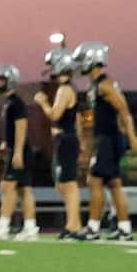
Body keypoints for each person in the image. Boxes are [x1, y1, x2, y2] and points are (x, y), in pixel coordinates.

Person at [74, 43, 137, 240]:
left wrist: (132, 138)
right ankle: (124, 228)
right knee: (113, 183)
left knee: (94, 181)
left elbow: (124, 111)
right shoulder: (96, 85)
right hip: (107, 139)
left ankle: (93, 228)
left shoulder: (105, 85)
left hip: (110, 140)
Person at [0, 64, 37, 240]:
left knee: (7, 187)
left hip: (19, 150)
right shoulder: (9, 103)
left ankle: (3, 226)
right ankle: (30, 227)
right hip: (15, 149)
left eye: (1, 79)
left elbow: (21, 127)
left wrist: (17, 152)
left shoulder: (16, 103)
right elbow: (9, 134)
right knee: (23, 190)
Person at [36, 47, 86, 239]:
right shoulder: (68, 88)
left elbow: (55, 114)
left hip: (65, 139)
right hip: (66, 139)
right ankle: (72, 223)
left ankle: (75, 226)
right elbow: (79, 119)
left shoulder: (65, 89)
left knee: (68, 183)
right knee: (62, 184)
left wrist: (42, 102)